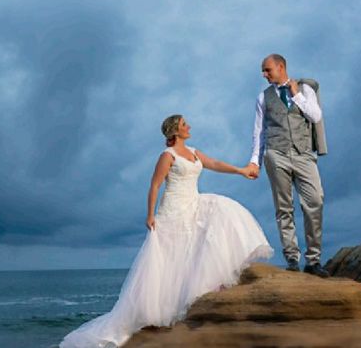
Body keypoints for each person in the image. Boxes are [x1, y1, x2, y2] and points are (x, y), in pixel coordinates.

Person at [60, 115, 273, 348]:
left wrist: (241, 171)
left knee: (222, 209)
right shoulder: (167, 156)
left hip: (193, 202)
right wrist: (150, 215)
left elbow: (214, 164)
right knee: (170, 259)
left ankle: (205, 289)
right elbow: (155, 185)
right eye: (184, 124)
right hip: (172, 210)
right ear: (175, 131)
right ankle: (160, 314)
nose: (189, 126)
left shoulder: (193, 151)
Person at [246, 53, 329, 278]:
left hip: (303, 154)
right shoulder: (263, 98)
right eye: (263, 71)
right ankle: (292, 258)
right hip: (276, 153)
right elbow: (259, 132)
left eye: (267, 70)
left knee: (315, 200)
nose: (264, 74)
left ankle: (313, 260)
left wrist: (296, 96)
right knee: (284, 207)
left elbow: (316, 116)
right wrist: (255, 161)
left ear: (280, 67)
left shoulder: (305, 89)